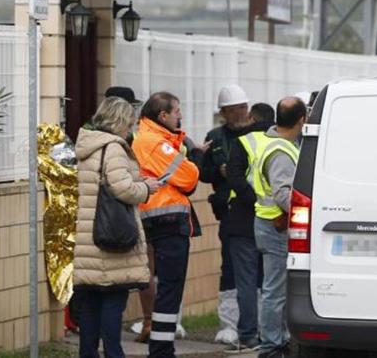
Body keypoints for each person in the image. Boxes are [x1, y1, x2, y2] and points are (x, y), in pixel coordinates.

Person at [73, 97, 161, 358]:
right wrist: (146, 188)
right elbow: (121, 188)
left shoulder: (88, 144)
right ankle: (114, 354)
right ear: (120, 121)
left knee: (89, 305)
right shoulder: (113, 147)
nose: (131, 128)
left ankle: (88, 354)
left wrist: (134, 179)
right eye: (130, 122)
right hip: (111, 240)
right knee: (113, 302)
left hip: (90, 236)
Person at [132, 92, 202, 358]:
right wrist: (190, 167)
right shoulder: (152, 141)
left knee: (167, 287)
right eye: (177, 111)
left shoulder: (151, 138)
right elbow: (190, 175)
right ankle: (161, 350)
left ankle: (161, 347)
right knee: (170, 288)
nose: (180, 116)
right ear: (163, 115)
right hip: (167, 221)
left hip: (162, 219)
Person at [246, 97, 306, 358]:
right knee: (275, 291)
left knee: (275, 289)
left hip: (268, 224)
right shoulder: (282, 151)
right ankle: (271, 346)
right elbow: (283, 195)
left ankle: (275, 341)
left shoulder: (274, 142)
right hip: (276, 227)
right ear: (302, 120)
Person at [199, 84, 251, 341]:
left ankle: (254, 323)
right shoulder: (215, 137)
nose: (239, 113)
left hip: (255, 210)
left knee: (258, 269)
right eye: (234, 110)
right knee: (229, 266)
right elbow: (203, 173)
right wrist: (217, 173)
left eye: (242, 108)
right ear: (223, 113)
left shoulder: (256, 134)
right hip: (228, 213)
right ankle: (229, 324)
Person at [224, 103, 276, 352]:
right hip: (276, 220)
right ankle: (272, 334)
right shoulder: (285, 143)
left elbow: (233, 176)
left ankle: (247, 335)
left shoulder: (242, 141)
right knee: (271, 282)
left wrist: (253, 200)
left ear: (252, 117)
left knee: (245, 281)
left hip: (243, 220)